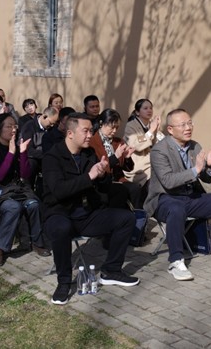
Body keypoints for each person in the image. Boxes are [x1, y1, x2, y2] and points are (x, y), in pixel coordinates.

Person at [42, 113, 140, 305]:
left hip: (86, 214)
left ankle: (111, 270)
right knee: (61, 228)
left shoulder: (88, 153)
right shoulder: (52, 156)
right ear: (70, 133)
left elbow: (103, 187)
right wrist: (89, 177)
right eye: (85, 131)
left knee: (126, 218)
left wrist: (102, 175)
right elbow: (59, 190)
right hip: (59, 214)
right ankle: (64, 282)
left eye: (91, 131)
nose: (90, 135)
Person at [145, 108, 211, 281]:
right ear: (170, 129)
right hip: (165, 199)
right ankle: (176, 261)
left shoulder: (195, 146)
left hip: (190, 197)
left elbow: (207, 179)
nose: (188, 128)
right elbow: (168, 181)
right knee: (176, 208)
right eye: (182, 125)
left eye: (190, 123)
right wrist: (196, 170)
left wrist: (209, 166)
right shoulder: (159, 150)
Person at [0, 114, 50, 266]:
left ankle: (36, 242)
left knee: (33, 204)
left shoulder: (17, 147)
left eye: (15, 126)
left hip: (17, 190)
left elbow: (25, 174)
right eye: (9, 126)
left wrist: (23, 152)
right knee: (13, 207)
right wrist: (11, 153)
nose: (13, 130)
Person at [89, 109, 142, 208]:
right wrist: (116, 156)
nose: (114, 131)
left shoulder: (118, 142)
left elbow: (128, 168)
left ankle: (138, 214)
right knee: (119, 192)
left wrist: (127, 158)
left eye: (116, 128)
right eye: (112, 127)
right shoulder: (92, 142)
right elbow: (99, 166)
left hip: (118, 179)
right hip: (101, 182)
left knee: (135, 188)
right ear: (101, 123)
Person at [18, 106, 59, 195]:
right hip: (35, 158)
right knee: (31, 162)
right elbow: (29, 150)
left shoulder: (52, 128)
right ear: (44, 116)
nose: (52, 126)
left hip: (48, 157)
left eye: (54, 124)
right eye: (51, 123)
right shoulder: (29, 126)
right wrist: (47, 155)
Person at [124, 98, 163, 188]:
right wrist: (151, 131)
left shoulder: (151, 125)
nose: (149, 110)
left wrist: (157, 131)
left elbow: (160, 144)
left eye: (150, 108)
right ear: (137, 112)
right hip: (139, 166)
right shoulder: (131, 125)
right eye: (145, 108)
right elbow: (135, 144)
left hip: (152, 162)